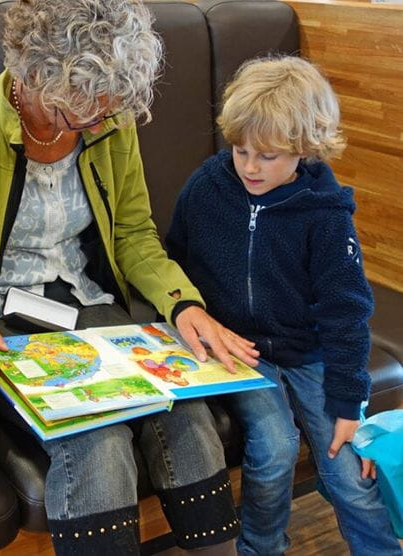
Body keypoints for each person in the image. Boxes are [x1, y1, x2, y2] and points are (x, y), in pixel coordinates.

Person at [0, 1, 260, 554]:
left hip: (86, 303)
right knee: (95, 433)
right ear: (34, 77)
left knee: (185, 412)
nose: (100, 122)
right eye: (82, 110)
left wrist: (183, 305)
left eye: (110, 107)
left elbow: (134, 234)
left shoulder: (108, 117)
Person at [166, 56, 402, 555]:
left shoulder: (326, 211)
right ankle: (260, 548)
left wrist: (347, 402)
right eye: (241, 150)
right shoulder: (208, 186)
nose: (250, 166)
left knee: (348, 472)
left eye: (268, 155)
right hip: (242, 352)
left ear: (305, 149)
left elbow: (346, 312)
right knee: (273, 451)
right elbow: (173, 262)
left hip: (312, 353)